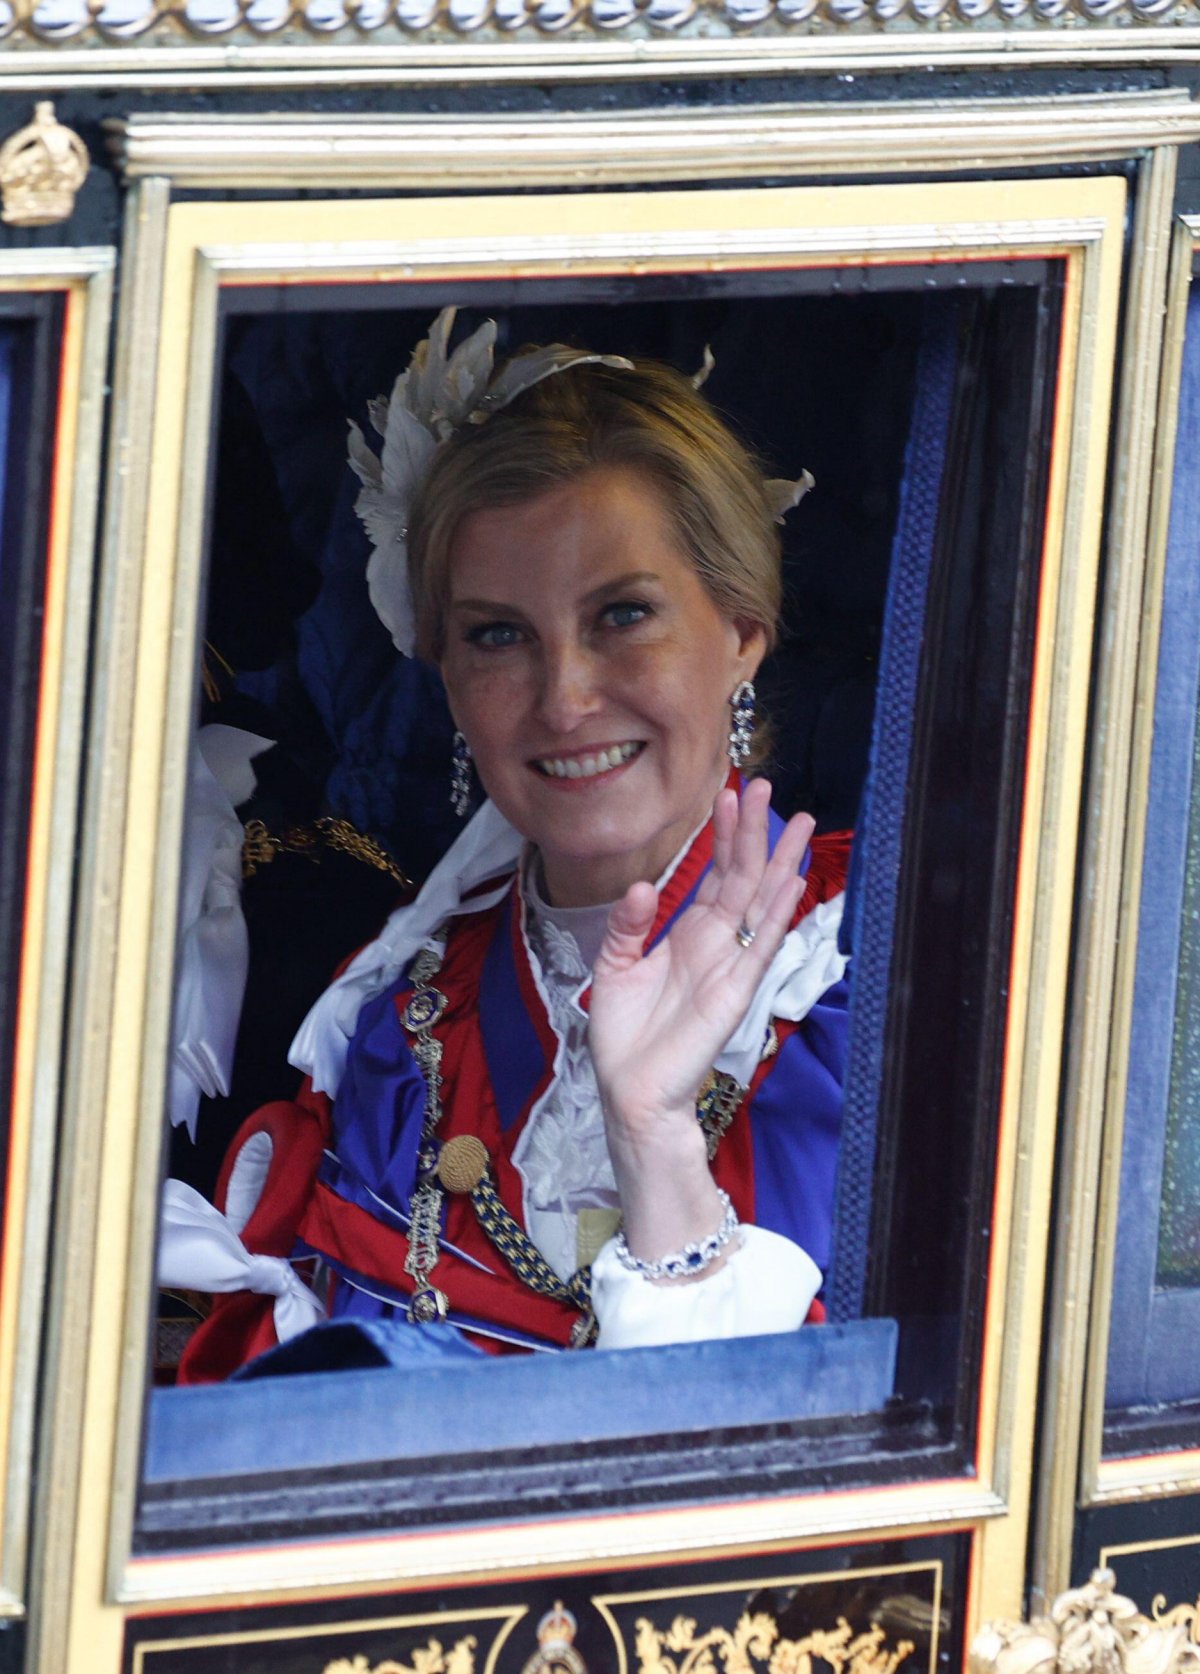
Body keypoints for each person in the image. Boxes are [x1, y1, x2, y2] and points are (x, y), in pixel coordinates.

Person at [164, 310, 851, 1378]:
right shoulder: (392, 1023)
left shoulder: (874, 989)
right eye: (498, 635)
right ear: (447, 678)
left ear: (741, 634)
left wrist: (653, 1134)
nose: (565, 699)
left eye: (623, 615)